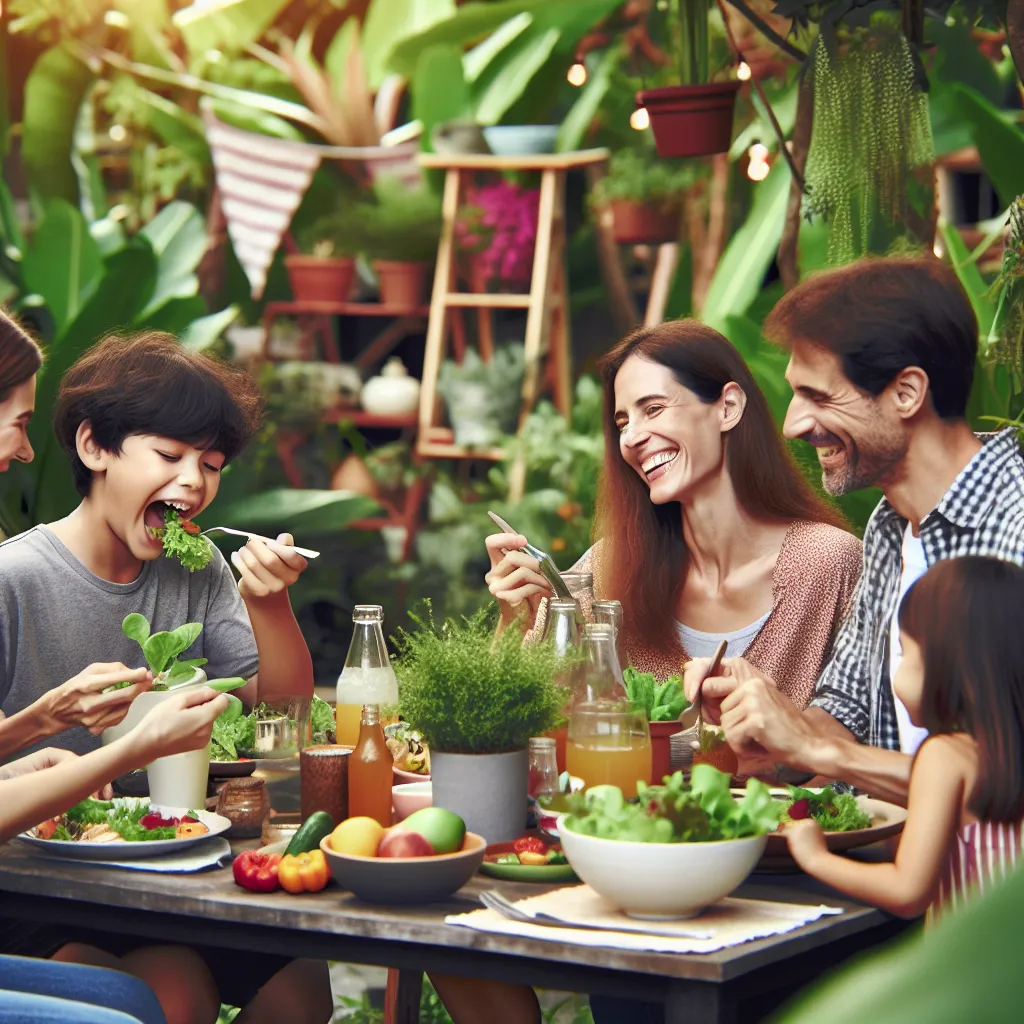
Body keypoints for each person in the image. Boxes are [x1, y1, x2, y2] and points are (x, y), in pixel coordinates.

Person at [0, 313, 331, 1024]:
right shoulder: (14, 578)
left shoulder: (200, 566)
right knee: (175, 994)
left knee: (302, 987)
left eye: (211, 465)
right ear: (95, 446)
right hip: (41, 885)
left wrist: (268, 606)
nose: (194, 481)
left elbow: (280, 713)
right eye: (170, 455)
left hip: (171, 863)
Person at [687, 256, 1024, 801]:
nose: (793, 424)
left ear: (907, 393)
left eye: (820, 396)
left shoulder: (1015, 529)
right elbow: (846, 709)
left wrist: (825, 753)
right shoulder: (891, 527)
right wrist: (770, 733)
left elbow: (1008, 776)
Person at [485, 319, 861, 714]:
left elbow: (866, 738)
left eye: (653, 408)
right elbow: (498, 723)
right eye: (623, 422)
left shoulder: (827, 563)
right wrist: (515, 622)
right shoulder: (609, 569)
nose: (630, 438)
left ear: (728, 408)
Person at [786, 557, 1024, 922]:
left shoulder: (944, 756)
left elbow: (907, 890)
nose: (897, 669)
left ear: (949, 665)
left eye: (906, 652)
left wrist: (815, 857)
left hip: (961, 970)